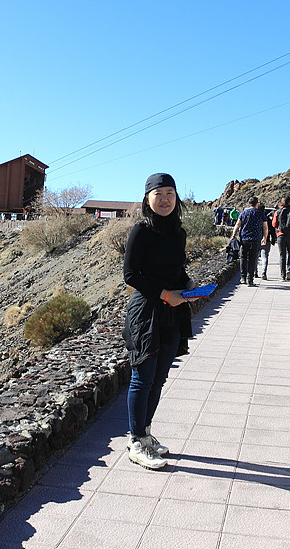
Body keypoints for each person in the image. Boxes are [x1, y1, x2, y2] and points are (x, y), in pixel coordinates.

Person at [122, 173, 200, 470]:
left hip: (172, 313)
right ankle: (135, 442)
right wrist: (167, 294)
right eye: (159, 194)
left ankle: (145, 434)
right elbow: (131, 275)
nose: (165, 199)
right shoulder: (140, 231)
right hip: (146, 312)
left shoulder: (178, 232)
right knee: (142, 378)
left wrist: (188, 285)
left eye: (170, 193)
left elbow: (176, 269)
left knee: (159, 378)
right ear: (147, 199)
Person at [232, 196, 268, 286]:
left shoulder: (244, 213)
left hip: (244, 239)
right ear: (257, 204)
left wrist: (233, 235)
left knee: (243, 258)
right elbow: (265, 228)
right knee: (252, 259)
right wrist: (264, 238)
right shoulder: (260, 214)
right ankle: (250, 280)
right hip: (256, 239)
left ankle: (243, 277)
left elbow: (237, 225)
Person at [274, 197, 290, 280]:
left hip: (281, 235)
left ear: (281, 202)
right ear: (289, 202)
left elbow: (274, 224)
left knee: (282, 255)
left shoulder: (278, 212)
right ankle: (289, 269)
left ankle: (283, 275)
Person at [257, 202, 276, 280]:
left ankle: (255, 272)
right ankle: (263, 272)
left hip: (255, 239)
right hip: (266, 239)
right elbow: (272, 230)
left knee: (255, 256)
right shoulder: (267, 219)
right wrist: (273, 240)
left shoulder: (255, 218)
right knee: (264, 257)